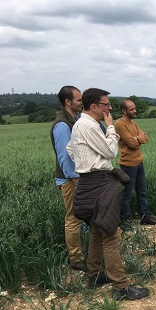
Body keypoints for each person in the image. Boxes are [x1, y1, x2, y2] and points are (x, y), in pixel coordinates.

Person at [67, 88, 148, 301]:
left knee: (96, 229)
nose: (109, 108)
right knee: (111, 233)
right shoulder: (88, 125)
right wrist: (111, 128)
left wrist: (86, 160)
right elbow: (112, 151)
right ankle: (121, 286)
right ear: (95, 107)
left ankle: (94, 275)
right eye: (106, 104)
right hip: (100, 182)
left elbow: (70, 149)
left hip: (88, 181)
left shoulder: (80, 125)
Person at [50, 86, 86, 271]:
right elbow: (64, 157)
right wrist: (74, 179)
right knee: (73, 218)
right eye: (79, 100)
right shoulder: (62, 125)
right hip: (70, 180)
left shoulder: (75, 120)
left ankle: (83, 251)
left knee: (81, 216)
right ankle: (76, 258)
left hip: (76, 177)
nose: (82, 102)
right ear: (68, 102)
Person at [115, 99, 156, 227]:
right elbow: (132, 143)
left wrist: (139, 138)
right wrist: (138, 138)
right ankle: (125, 220)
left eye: (135, 108)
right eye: (131, 109)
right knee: (127, 194)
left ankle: (145, 216)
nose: (135, 111)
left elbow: (145, 137)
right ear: (124, 111)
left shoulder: (133, 124)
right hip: (128, 164)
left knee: (142, 191)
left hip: (139, 162)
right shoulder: (120, 124)